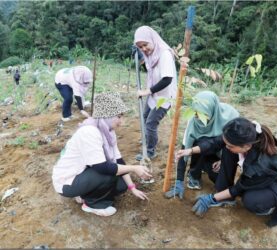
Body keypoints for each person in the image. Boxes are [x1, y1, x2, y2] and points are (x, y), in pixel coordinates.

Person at [178, 117, 277, 227]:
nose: (227, 146)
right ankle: (223, 193)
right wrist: (189, 151)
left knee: (250, 200)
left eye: (231, 145)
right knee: (228, 150)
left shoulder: (259, 166)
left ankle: (268, 206)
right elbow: (216, 142)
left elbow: (238, 188)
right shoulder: (246, 134)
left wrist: (211, 199)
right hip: (261, 176)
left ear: (246, 147)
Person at [52, 92, 152, 217]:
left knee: (121, 185)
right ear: (107, 115)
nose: (122, 121)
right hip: (67, 181)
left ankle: (84, 194)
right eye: (119, 116)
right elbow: (103, 167)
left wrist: (132, 187)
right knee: (108, 174)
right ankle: (91, 205)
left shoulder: (107, 130)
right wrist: (134, 168)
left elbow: (118, 160)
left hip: (82, 173)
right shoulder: (90, 132)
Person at [164, 91, 239, 199]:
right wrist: (179, 181)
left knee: (219, 180)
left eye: (202, 115)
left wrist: (223, 160)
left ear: (212, 110)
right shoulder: (193, 123)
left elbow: (236, 146)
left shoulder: (231, 117)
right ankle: (194, 174)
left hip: (222, 153)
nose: (198, 118)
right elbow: (184, 151)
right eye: (196, 114)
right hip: (201, 149)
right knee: (202, 142)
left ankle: (207, 165)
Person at [134, 26, 177, 161]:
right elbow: (148, 65)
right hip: (154, 94)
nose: (144, 49)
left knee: (150, 124)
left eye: (145, 45)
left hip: (164, 97)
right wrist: (137, 52)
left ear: (152, 40)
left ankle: (150, 151)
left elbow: (167, 79)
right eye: (140, 47)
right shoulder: (150, 54)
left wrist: (147, 91)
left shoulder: (164, 54)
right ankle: (148, 139)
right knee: (145, 116)